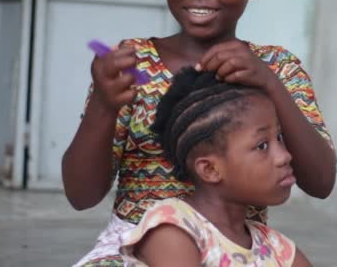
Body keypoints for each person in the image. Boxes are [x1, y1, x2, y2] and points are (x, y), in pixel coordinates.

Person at [61, 0, 336, 265]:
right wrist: (103, 106)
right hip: (144, 252)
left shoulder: (277, 68)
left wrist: (270, 85)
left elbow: (321, 182)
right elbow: (81, 195)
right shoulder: (133, 64)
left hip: (237, 249)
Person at [119, 68, 312, 266]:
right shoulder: (173, 228)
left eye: (280, 138)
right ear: (210, 169)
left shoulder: (277, 249)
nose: (285, 156)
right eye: (262, 145)